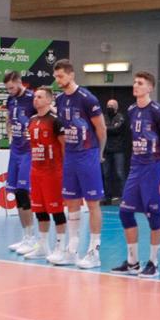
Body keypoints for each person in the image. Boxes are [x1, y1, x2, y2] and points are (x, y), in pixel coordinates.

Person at [110, 72, 160, 277]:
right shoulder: (131, 110)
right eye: (135, 82)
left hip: (153, 167)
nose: (135, 85)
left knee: (153, 215)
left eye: (140, 83)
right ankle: (132, 262)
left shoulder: (158, 111)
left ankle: (153, 263)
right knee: (125, 212)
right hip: (136, 166)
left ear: (150, 88)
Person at [52, 59, 107, 268]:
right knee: (71, 202)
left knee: (92, 203)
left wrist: (99, 153)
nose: (58, 80)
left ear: (71, 75)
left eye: (61, 76)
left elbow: (101, 129)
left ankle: (94, 251)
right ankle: (72, 250)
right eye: (56, 77)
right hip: (71, 156)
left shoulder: (87, 98)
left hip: (87, 154)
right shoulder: (59, 99)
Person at [24, 86, 67, 260]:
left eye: (40, 97)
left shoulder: (56, 121)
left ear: (49, 100)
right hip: (36, 171)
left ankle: (61, 247)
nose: (36, 99)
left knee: (56, 210)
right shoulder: (32, 120)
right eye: (35, 96)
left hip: (53, 172)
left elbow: (64, 146)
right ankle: (43, 246)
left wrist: (65, 169)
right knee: (39, 210)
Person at [2, 71, 37, 255]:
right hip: (15, 150)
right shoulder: (11, 99)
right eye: (7, 89)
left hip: (28, 151)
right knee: (16, 192)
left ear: (19, 82)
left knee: (24, 192)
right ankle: (25, 236)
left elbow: (44, 117)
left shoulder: (32, 98)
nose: (10, 91)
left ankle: (32, 238)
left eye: (12, 87)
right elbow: (9, 119)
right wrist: (9, 136)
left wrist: (34, 134)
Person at [103, 98, 129, 203]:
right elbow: (100, 129)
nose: (110, 107)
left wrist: (106, 128)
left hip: (118, 149)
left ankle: (124, 198)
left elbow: (117, 129)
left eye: (112, 106)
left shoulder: (120, 117)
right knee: (105, 174)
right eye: (108, 106)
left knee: (120, 174)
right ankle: (107, 197)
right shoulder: (103, 117)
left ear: (116, 107)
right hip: (106, 150)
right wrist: (108, 128)